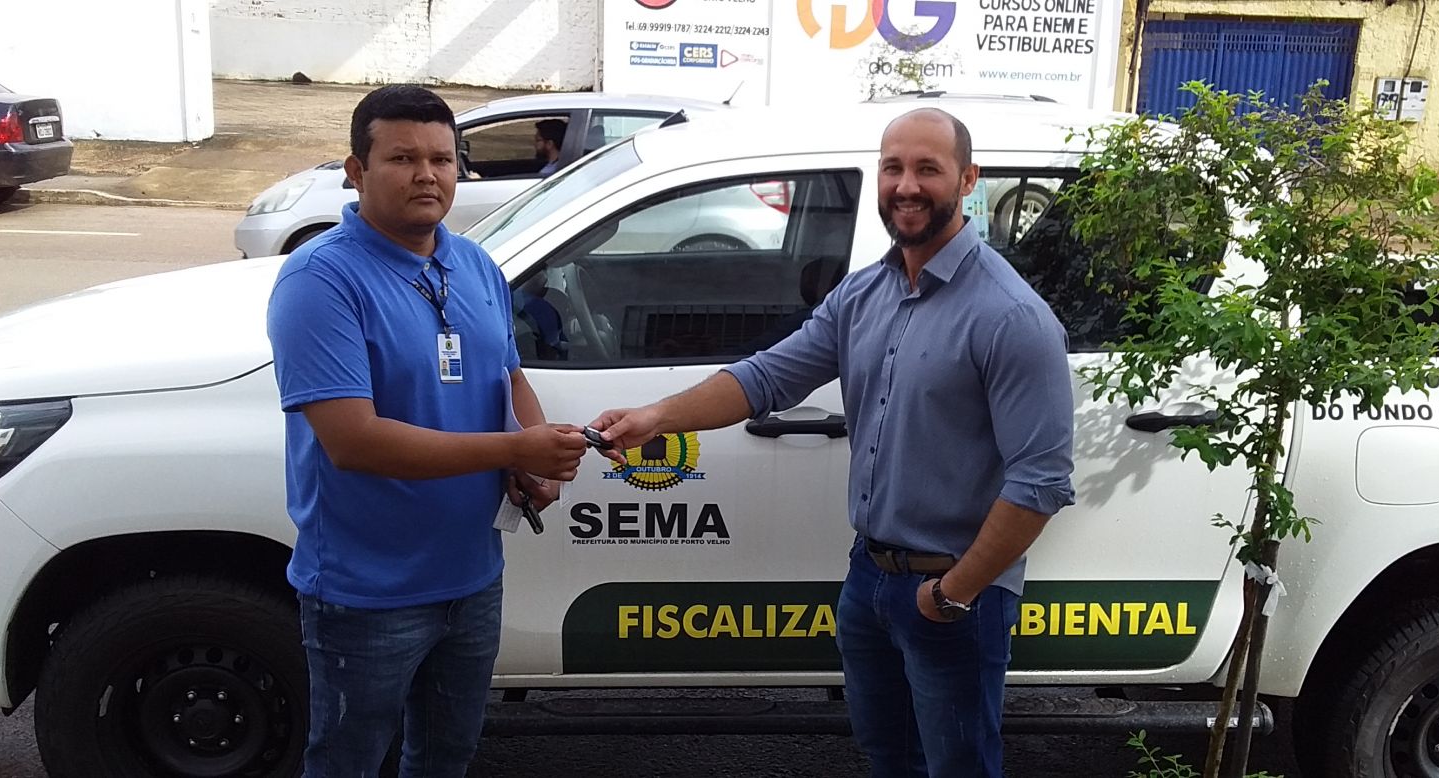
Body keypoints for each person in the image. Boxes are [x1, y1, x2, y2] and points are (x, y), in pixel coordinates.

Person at [587, 107, 1076, 778]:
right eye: (893, 168)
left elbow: (1040, 483)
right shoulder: (865, 293)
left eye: (928, 169)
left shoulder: (1011, 316)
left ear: (969, 180)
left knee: (958, 768)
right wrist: (657, 417)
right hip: (870, 580)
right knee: (888, 759)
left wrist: (952, 594)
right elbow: (766, 378)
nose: (906, 186)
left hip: (956, 594)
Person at [264, 84, 589, 777]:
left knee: (447, 757)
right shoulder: (321, 279)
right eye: (402, 158)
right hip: (367, 592)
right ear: (356, 171)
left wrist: (534, 461)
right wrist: (516, 447)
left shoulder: (474, 264)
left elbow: (507, 376)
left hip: (472, 577)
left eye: (442, 159)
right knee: (348, 764)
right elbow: (354, 440)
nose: (426, 176)